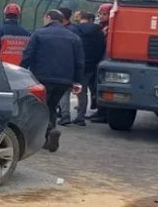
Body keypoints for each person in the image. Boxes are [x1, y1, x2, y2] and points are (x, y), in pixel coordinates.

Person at [21, 9, 84, 154]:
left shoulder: (39, 34)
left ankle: (48, 130)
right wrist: (77, 81)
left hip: (42, 77)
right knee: (52, 105)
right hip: (64, 80)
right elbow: (80, 61)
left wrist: (20, 72)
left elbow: (28, 55)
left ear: (48, 18)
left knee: (38, 106)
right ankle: (48, 137)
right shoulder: (74, 37)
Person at [70, 11, 107, 127]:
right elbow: (102, 48)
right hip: (91, 65)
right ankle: (81, 116)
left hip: (76, 64)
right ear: (91, 19)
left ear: (81, 18)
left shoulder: (74, 29)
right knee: (85, 90)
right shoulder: (99, 32)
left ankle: (66, 114)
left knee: (73, 90)